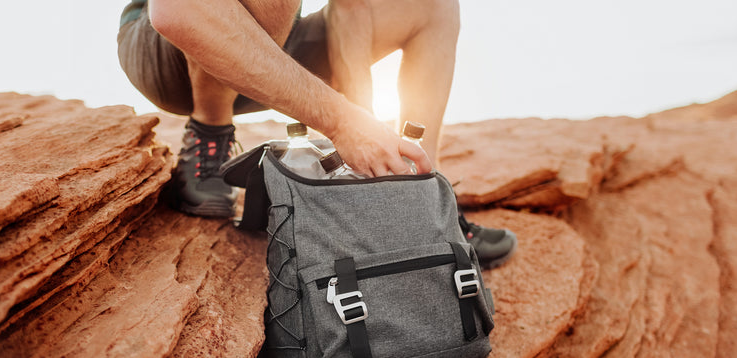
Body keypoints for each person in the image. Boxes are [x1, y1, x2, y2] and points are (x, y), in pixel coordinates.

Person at [117, 0, 516, 268]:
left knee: (431, 5)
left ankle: (422, 196)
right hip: (172, 42)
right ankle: (209, 135)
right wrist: (342, 123)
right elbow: (176, 14)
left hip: (282, 41)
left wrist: (368, 137)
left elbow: (352, 7)